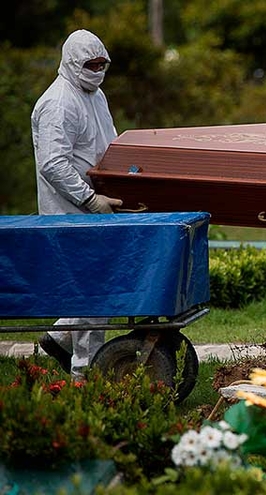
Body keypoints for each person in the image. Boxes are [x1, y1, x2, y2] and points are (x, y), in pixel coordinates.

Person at [31, 29, 123, 380]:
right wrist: (89, 197)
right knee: (92, 290)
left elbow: (107, 141)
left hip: (94, 207)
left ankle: (58, 337)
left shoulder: (95, 95)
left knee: (100, 285)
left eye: (102, 64)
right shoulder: (58, 103)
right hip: (69, 213)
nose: (97, 70)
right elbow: (52, 163)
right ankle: (85, 373)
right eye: (90, 64)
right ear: (72, 63)